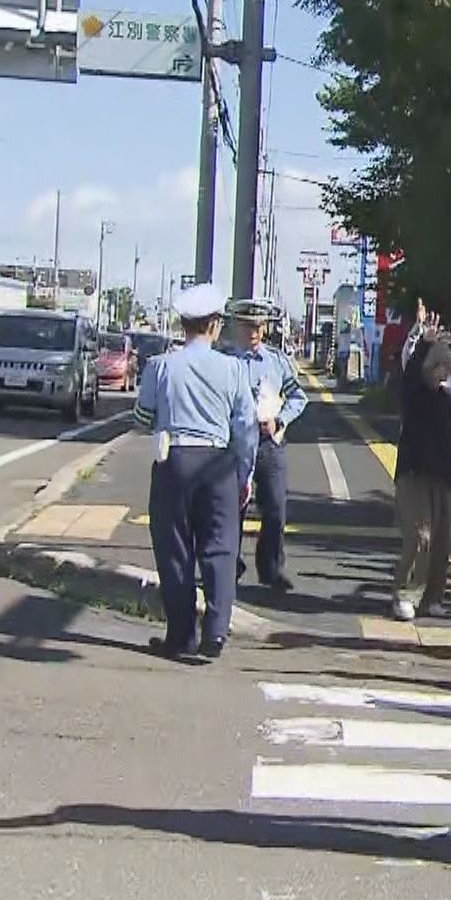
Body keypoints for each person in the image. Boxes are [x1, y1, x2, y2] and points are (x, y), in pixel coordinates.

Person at [132, 283, 258, 661]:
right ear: (215, 325)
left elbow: (142, 418)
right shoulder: (233, 368)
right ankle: (215, 634)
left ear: (182, 324)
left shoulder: (161, 366)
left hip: (174, 461)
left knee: (175, 550)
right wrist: (244, 473)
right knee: (219, 548)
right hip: (218, 463)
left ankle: (181, 634)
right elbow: (246, 427)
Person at [228, 300, 307, 593]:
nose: (255, 332)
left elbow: (299, 397)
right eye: (249, 326)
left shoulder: (276, 361)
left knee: (275, 507)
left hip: (269, 443)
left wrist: (279, 419)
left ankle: (271, 568)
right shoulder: (226, 361)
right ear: (237, 327)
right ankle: (230, 566)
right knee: (232, 508)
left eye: (259, 327)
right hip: (236, 443)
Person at [393, 330, 451, 621]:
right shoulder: (415, 391)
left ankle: (431, 598)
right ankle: (404, 592)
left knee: (442, 541)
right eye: (440, 363)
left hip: (445, 476)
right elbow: (410, 376)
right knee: (419, 536)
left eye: (448, 364)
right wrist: (423, 342)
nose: (445, 369)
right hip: (415, 474)